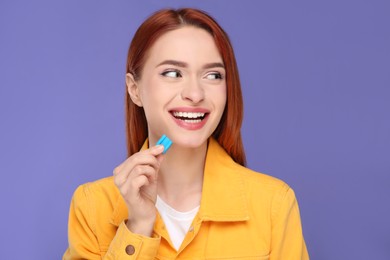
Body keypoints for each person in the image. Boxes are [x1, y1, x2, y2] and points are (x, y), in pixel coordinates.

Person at [63, 8, 309, 259]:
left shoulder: (273, 205)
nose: (195, 93)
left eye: (213, 75)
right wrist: (137, 227)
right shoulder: (92, 206)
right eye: (172, 73)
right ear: (134, 89)